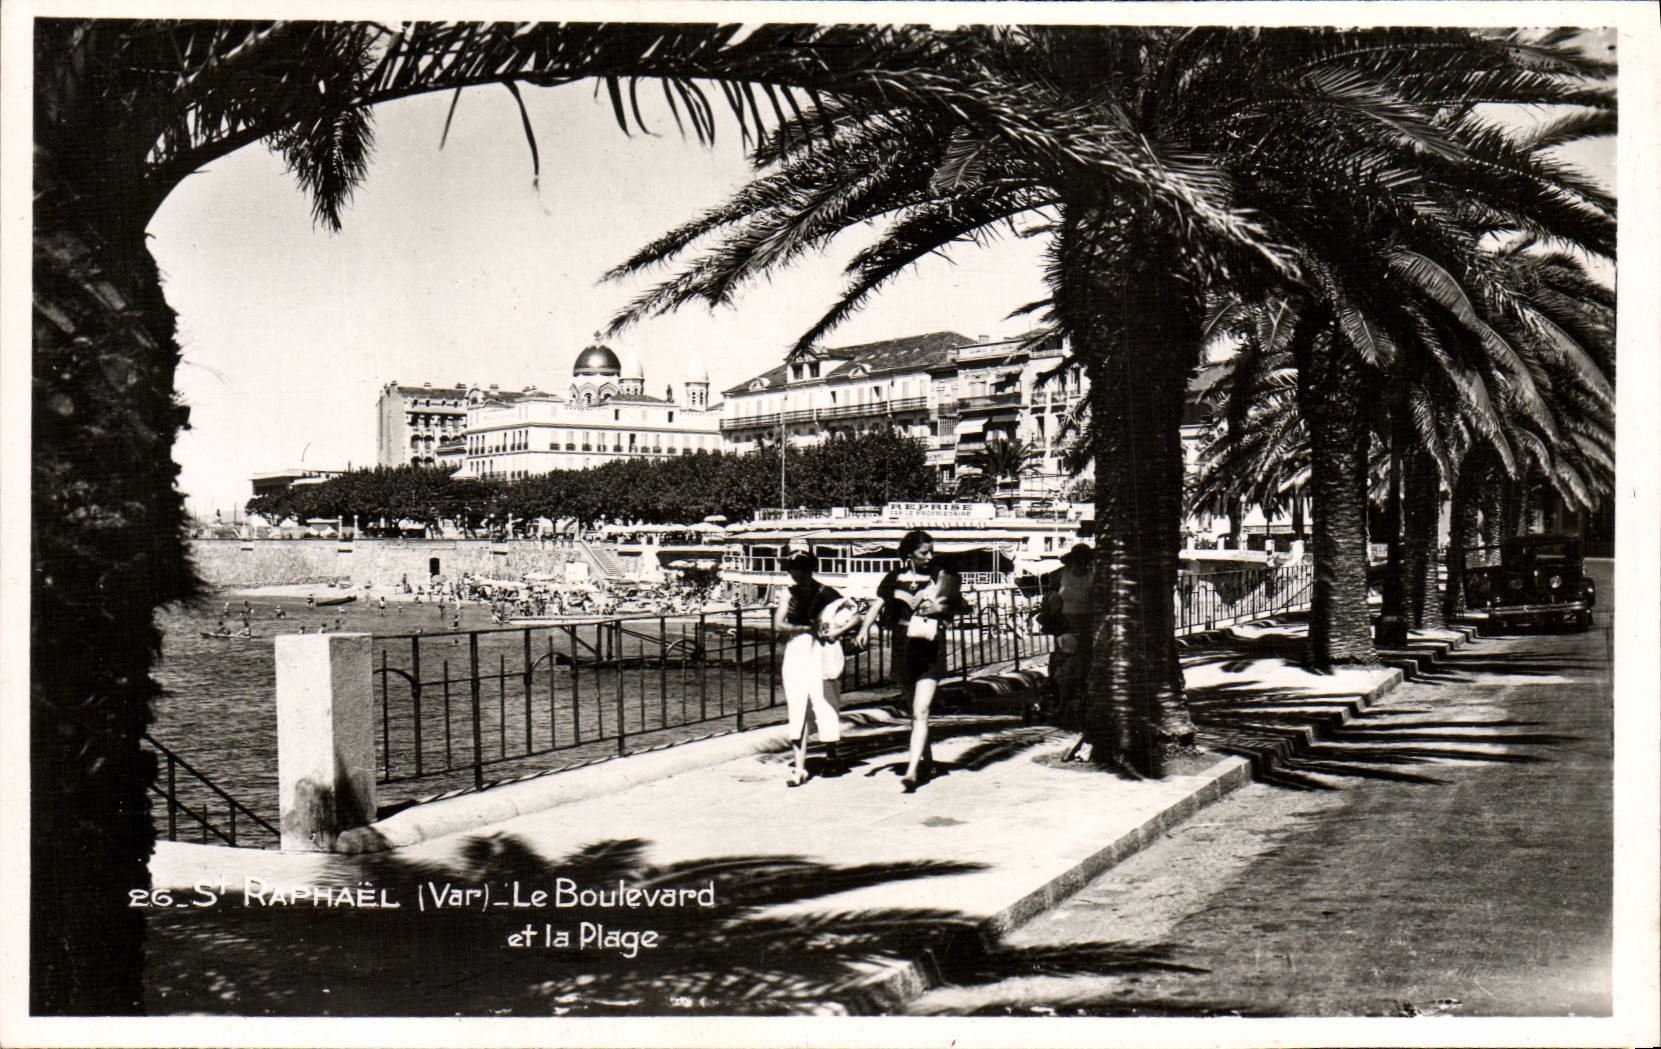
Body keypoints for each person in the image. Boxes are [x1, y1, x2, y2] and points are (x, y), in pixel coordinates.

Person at [859, 529, 963, 792]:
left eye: (931, 551)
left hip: (930, 646)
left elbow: (957, 605)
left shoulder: (939, 576)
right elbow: (877, 605)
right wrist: (863, 630)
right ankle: (928, 763)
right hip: (903, 648)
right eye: (923, 552)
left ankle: (912, 772)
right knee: (915, 714)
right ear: (909, 554)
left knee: (921, 711)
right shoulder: (894, 578)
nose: (929, 557)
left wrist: (939, 608)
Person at [773, 551, 856, 787]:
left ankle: (831, 756)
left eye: (799, 568)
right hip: (797, 650)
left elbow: (855, 616)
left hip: (821, 651)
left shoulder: (827, 593)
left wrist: (837, 632)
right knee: (797, 702)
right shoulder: (789, 593)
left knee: (825, 701)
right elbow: (777, 624)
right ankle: (799, 767)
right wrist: (804, 629)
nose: (795, 574)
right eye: (792, 569)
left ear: (810, 569)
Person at [1040, 543, 1095, 723]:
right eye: (1078, 559)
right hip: (1064, 623)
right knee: (1063, 661)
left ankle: (1080, 703)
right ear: (1072, 560)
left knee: (1084, 663)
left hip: (1086, 623)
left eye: (1084, 559)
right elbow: (1049, 597)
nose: (1081, 562)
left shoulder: (1093, 577)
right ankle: (1060, 701)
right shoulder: (1060, 575)